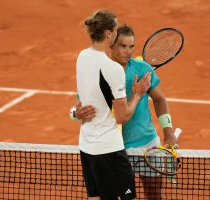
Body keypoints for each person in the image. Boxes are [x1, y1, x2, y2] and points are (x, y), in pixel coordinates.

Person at [73, 24, 177, 199]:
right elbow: (81, 107)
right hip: (114, 149)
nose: (128, 52)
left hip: (147, 146)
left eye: (131, 47)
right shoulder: (100, 72)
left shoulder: (142, 69)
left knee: (154, 196)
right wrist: (75, 114)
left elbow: (159, 99)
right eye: (123, 46)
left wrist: (168, 131)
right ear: (111, 45)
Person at [76, 10, 151, 200]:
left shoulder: (82, 57)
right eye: (116, 30)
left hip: (86, 147)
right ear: (109, 34)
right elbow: (122, 117)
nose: (117, 34)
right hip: (109, 150)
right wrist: (137, 94)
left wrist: (75, 113)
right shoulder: (113, 69)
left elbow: (87, 100)